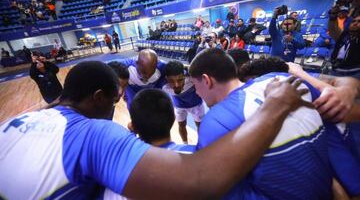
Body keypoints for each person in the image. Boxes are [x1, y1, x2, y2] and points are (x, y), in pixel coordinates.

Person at [0, 60, 312, 199]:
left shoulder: (15, 122)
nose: (115, 106)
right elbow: (200, 180)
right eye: (115, 99)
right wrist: (275, 106)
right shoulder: (93, 133)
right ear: (98, 98)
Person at [189, 48, 335, 199]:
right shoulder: (282, 78)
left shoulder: (215, 121)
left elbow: (215, 190)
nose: (197, 92)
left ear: (207, 80)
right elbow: (335, 121)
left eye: (195, 85)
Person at [129, 89, 196, 153]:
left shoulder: (130, 157)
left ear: (134, 127)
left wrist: (132, 132)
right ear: (173, 118)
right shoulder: (198, 153)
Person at [162, 61, 205, 144]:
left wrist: (190, 67)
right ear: (166, 78)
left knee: (200, 126)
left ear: (184, 75)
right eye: (171, 81)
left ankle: (202, 144)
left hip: (196, 105)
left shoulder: (192, 77)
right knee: (181, 125)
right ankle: (185, 144)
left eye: (180, 79)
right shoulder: (162, 84)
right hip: (179, 107)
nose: (176, 85)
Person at [328, 14, 360, 79]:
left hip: (355, 73)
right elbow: (333, 30)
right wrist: (333, 18)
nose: (355, 23)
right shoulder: (344, 35)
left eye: (359, 21)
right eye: (353, 21)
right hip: (336, 70)